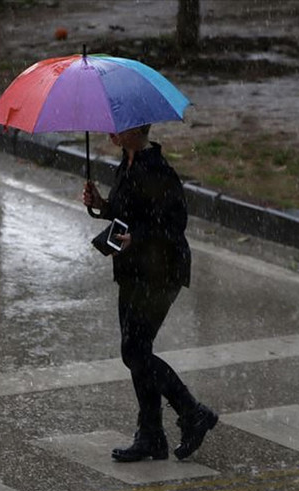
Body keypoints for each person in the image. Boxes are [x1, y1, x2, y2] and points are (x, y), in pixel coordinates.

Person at [82, 124, 218, 462]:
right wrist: (101, 204)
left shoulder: (157, 170)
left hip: (160, 271)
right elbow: (127, 210)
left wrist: (137, 238)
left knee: (135, 350)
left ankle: (191, 412)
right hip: (132, 270)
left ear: (137, 127)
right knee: (136, 350)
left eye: (118, 125)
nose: (110, 130)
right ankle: (152, 436)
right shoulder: (126, 162)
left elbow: (174, 224)